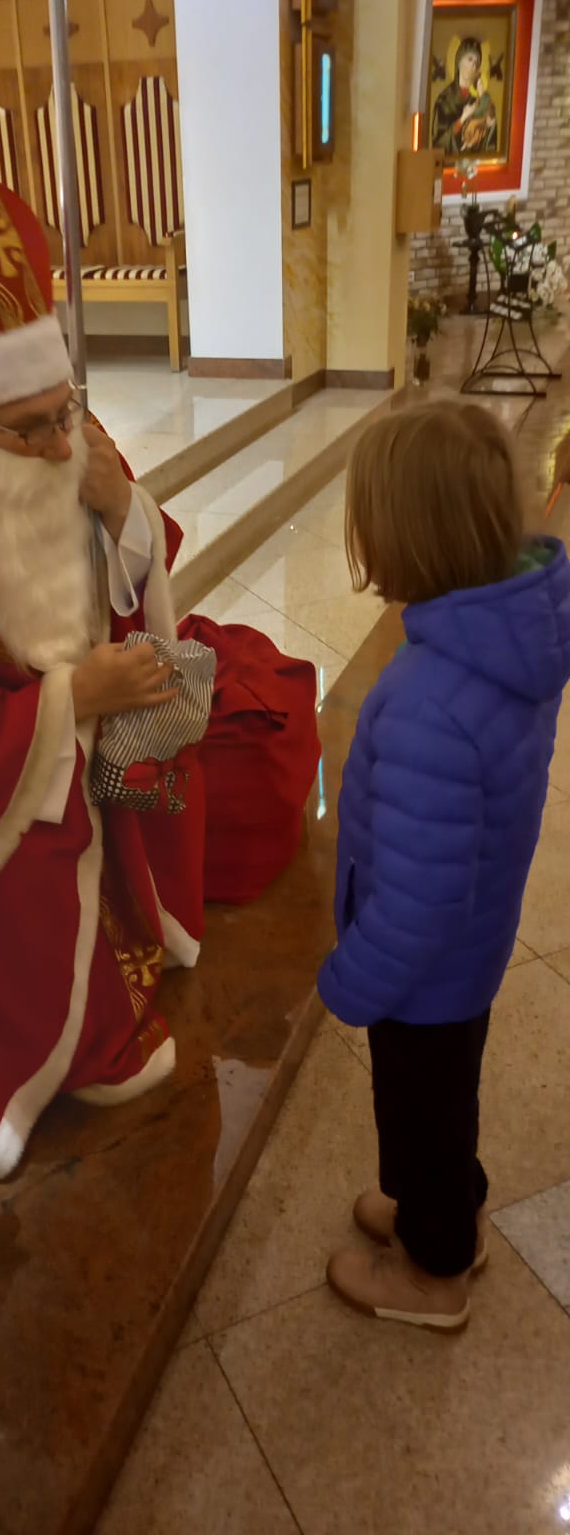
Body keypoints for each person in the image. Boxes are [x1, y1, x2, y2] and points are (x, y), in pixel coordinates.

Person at [0, 152, 320, 1179]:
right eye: (34, 431)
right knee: (32, 879)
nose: (64, 445)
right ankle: (48, 1041)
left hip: (88, 750)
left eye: (70, 411)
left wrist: (120, 511)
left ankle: (133, 917)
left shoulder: (47, 424)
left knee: (196, 736)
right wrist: (69, 703)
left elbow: (137, 564)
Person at [318, 401, 570, 1331]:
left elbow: (420, 900)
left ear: (405, 541)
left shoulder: (432, 698)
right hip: (471, 951)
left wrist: (354, 978)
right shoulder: (507, 640)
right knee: (444, 1099)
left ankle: (434, 1274)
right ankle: (452, 1211)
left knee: (422, 1108)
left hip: (422, 972)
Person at [431, 37, 498, 157]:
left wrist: (483, 95)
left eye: (476, 63)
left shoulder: (481, 97)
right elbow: (438, 142)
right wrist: (463, 118)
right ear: (459, 62)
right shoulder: (444, 99)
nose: (473, 65)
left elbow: (490, 128)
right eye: (470, 59)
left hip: (475, 159)